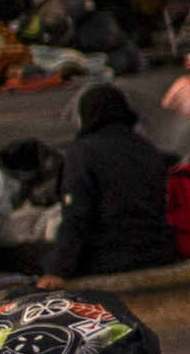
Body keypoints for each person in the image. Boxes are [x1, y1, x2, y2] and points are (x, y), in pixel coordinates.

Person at [45, 82, 179, 278]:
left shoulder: (82, 152)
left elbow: (76, 217)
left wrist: (56, 271)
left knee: (16, 255)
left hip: (107, 259)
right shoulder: (147, 150)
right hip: (158, 253)